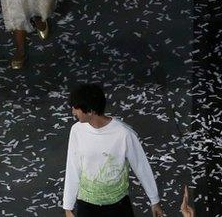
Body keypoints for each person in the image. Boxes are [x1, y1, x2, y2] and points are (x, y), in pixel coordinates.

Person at [62, 84, 165, 217]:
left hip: (118, 206)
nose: (73, 112)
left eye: (76, 108)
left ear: (90, 111)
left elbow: (140, 166)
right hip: (86, 205)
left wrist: (155, 201)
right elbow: (73, 167)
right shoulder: (77, 130)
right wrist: (68, 206)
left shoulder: (123, 133)